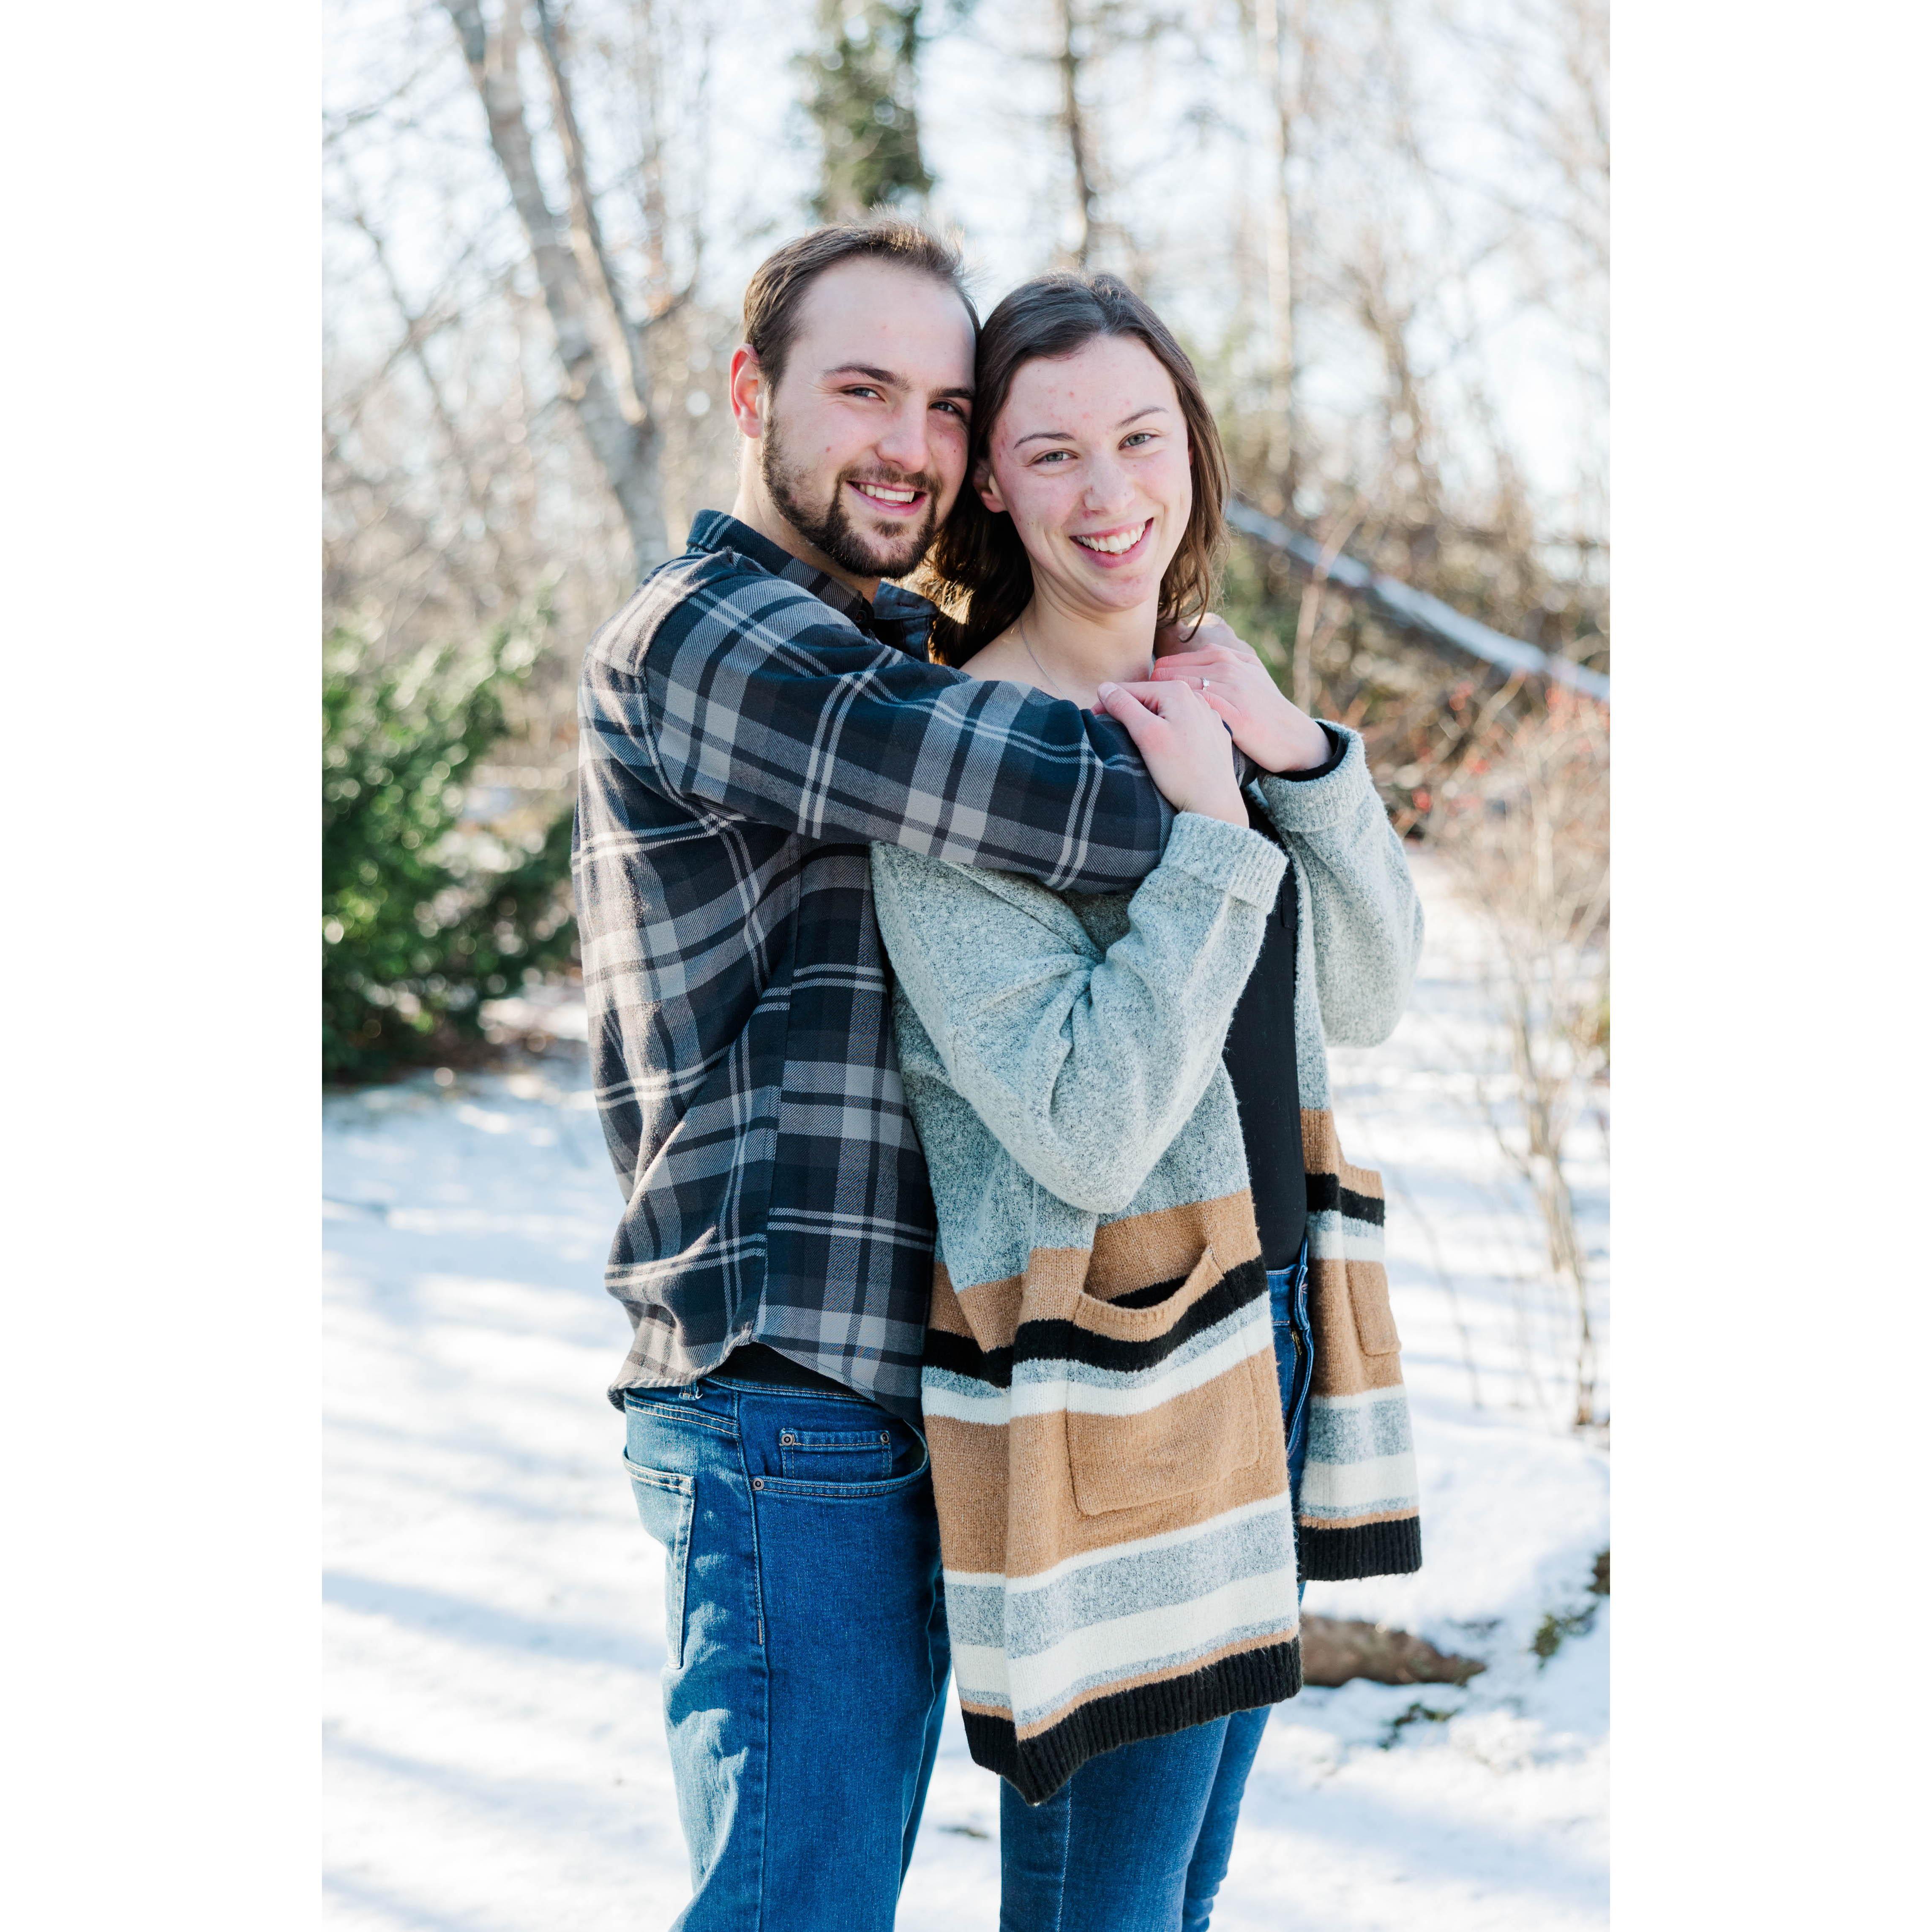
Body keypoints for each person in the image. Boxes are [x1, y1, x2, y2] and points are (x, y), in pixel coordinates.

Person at [575, 220, 1281, 1930]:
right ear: (753, 394)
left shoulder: (886, 640)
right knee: (800, 1905)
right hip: (781, 1390)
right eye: (863, 391)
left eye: (949, 407)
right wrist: (1236, 766)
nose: (912, 443)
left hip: (943, 1381)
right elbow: (1020, 787)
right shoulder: (706, 638)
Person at [869, 272, 1425, 1929]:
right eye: (1052, 453)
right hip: (1107, 1379)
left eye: (1139, 436)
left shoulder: (1212, 712)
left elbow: (1368, 995)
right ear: (990, 483)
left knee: (1180, 1889)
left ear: (1191, 442)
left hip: (1276, 1320)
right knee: (1104, 1911)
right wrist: (1212, 846)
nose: (1108, 493)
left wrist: (1296, 757)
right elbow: (1087, 1128)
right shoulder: (963, 758)